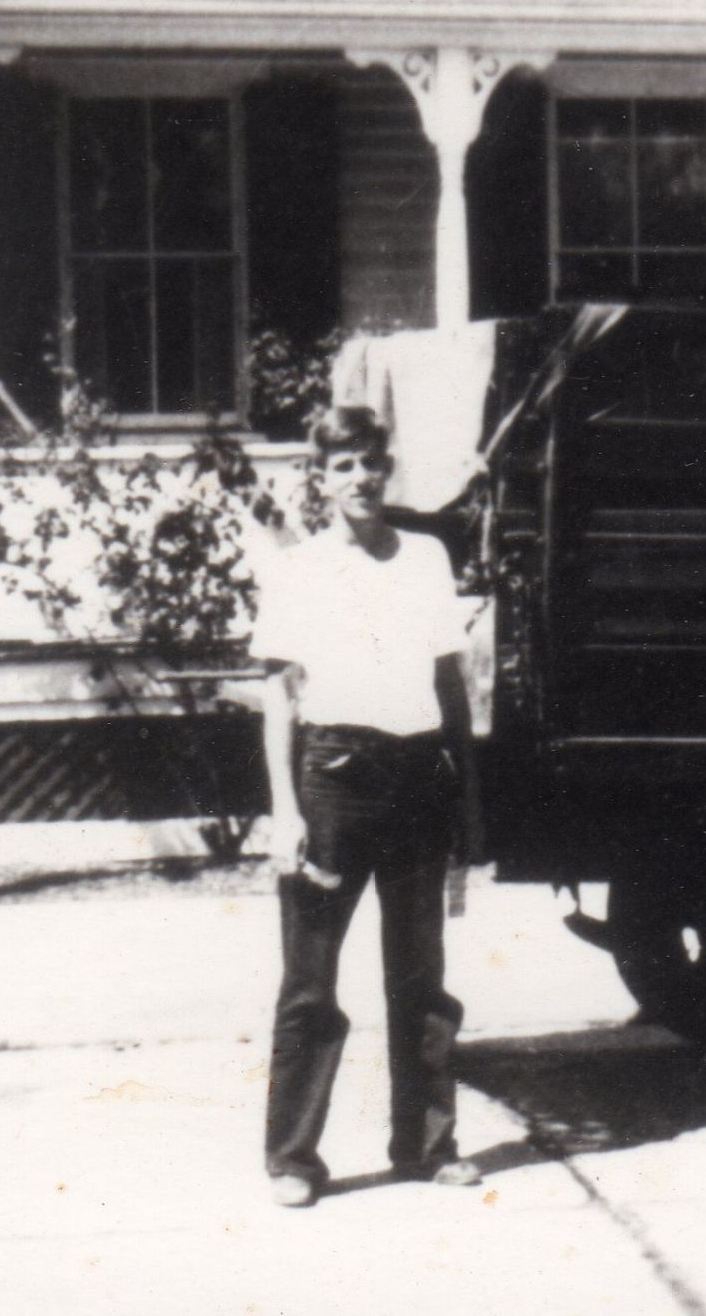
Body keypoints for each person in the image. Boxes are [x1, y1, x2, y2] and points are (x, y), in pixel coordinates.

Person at [252, 405, 484, 1208]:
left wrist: (469, 801)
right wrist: (285, 811)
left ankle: (426, 1146)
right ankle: (292, 1160)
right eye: (342, 465)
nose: (359, 478)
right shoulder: (300, 567)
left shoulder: (425, 558)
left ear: (388, 469)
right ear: (319, 479)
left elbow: (450, 684)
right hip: (333, 782)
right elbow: (278, 694)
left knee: (420, 978)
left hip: (419, 778)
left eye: (370, 463)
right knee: (311, 983)